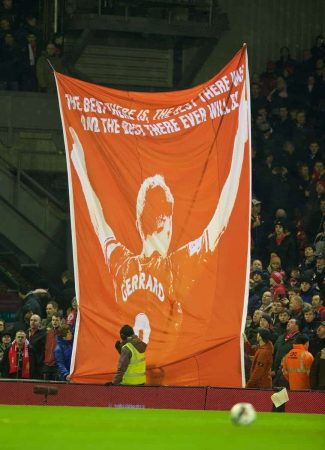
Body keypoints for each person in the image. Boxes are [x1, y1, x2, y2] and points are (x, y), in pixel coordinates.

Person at [69, 89, 249, 363]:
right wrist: (238, 146)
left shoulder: (122, 263)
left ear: (139, 225)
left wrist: (80, 166)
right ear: (169, 223)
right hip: (170, 369)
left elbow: (98, 219)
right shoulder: (177, 267)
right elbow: (221, 217)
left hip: (126, 364)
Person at [42, 314, 61, 380]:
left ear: (60, 321)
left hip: (57, 365)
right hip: (47, 364)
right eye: (53, 320)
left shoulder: (63, 333)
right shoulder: (48, 333)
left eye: (57, 320)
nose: (54, 322)